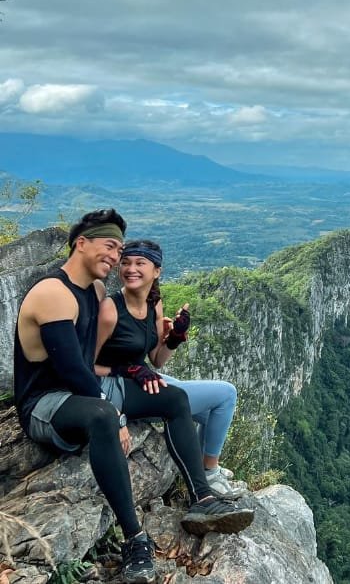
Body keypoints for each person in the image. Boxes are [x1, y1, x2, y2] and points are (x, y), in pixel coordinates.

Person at [13, 210, 253, 584]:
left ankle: (203, 499)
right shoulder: (52, 294)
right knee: (103, 417)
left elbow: (131, 358)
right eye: (110, 247)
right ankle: (135, 540)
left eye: (120, 250)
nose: (116, 258)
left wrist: (166, 343)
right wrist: (118, 412)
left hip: (86, 393)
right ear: (82, 243)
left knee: (174, 399)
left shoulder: (91, 290)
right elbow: (73, 369)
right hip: (45, 404)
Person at [94, 239, 244, 499]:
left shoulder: (154, 304)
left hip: (139, 378)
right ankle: (209, 474)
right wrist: (126, 370)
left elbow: (157, 360)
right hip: (111, 386)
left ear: (157, 271)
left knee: (212, 416)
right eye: (126, 263)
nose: (131, 269)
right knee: (226, 394)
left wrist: (175, 336)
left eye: (140, 263)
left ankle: (200, 468)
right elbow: (83, 364)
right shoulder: (109, 309)